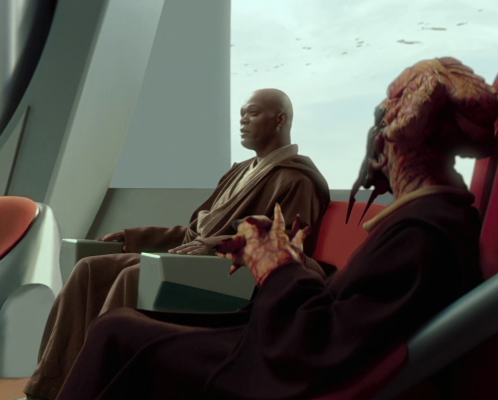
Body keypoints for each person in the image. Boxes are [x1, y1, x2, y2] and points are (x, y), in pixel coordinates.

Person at [56, 57, 494, 399]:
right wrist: (297, 264)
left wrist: (279, 265)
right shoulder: (429, 222)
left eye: (385, 116)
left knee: (116, 330)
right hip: (290, 332)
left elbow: (320, 344)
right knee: (111, 306)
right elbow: (355, 307)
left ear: (396, 139)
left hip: (289, 362)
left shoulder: (422, 233)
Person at [23, 88, 331, 400]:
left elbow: (286, 246)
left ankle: (102, 390)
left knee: (133, 276)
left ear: (280, 120)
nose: (242, 120)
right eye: (241, 114)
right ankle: (51, 388)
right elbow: (194, 233)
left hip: (234, 276)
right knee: (89, 268)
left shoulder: (297, 179)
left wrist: (215, 246)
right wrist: (136, 237)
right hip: (197, 260)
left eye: (252, 113)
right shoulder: (239, 172)